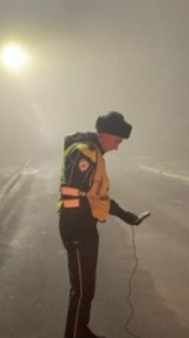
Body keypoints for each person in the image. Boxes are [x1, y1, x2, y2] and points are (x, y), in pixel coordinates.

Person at [57, 111, 144, 338]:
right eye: (117, 141)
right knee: (82, 289)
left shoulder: (95, 154)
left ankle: (81, 330)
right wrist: (79, 227)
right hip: (76, 227)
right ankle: (74, 335)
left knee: (88, 289)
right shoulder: (84, 154)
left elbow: (98, 197)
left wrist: (126, 215)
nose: (117, 147)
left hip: (84, 227)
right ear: (105, 134)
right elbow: (70, 193)